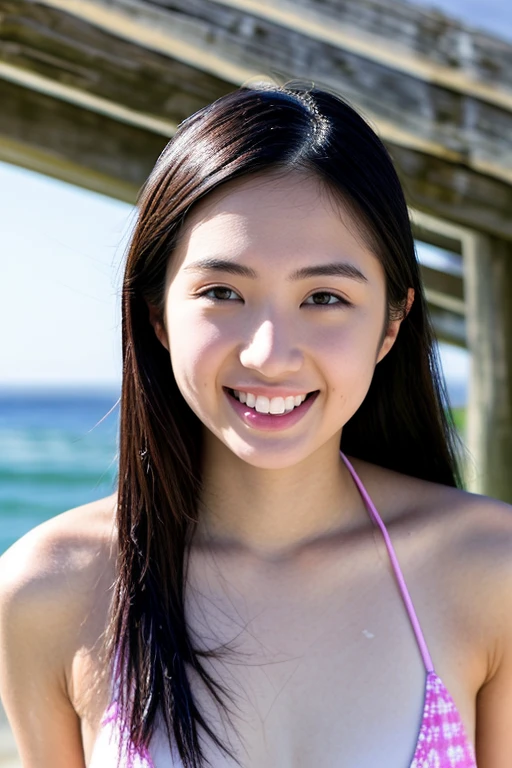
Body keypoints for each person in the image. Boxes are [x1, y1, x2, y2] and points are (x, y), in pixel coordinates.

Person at [0, 83, 511, 768]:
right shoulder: (51, 588)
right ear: (157, 315)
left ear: (391, 324)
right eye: (223, 293)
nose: (269, 353)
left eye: (324, 297)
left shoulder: (488, 571)